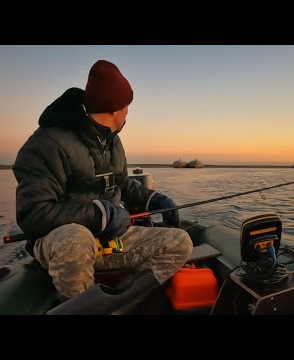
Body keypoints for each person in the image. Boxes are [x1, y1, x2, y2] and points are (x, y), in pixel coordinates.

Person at [12, 60, 193, 310]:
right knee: (77, 238)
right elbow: (33, 214)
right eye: (127, 107)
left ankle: (121, 300)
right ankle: (81, 307)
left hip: (110, 241)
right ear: (115, 109)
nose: (128, 113)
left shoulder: (113, 142)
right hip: (63, 244)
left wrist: (152, 199)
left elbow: (122, 183)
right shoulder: (47, 143)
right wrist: (99, 214)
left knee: (181, 242)